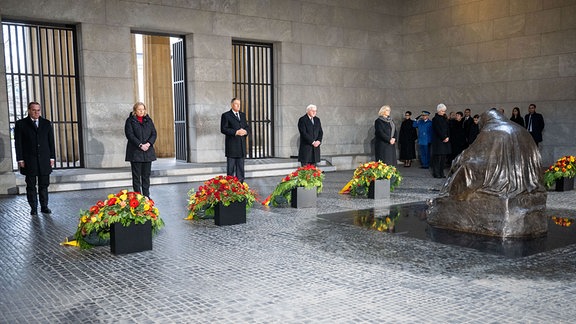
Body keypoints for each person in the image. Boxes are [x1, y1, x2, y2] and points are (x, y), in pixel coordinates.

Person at [14, 101, 56, 215]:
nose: (36, 112)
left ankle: (44, 206)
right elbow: (18, 143)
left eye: (38, 110)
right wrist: (20, 159)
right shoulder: (21, 124)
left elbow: (51, 142)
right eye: (34, 110)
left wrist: (52, 157)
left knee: (44, 185)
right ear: (29, 110)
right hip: (29, 160)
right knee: (31, 185)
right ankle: (33, 208)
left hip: (44, 160)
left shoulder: (46, 123)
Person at [125, 102, 157, 198]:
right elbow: (129, 135)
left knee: (146, 176)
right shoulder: (130, 121)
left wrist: (148, 144)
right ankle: (138, 197)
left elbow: (154, 133)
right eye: (139, 109)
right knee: (136, 177)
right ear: (135, 110)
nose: (141, 111)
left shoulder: (148, 120)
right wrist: (140, 145)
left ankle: (146, 196)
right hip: (136, 152)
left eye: (143, 109)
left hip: (148, 152)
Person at [221, 98, 250, 181]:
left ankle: (240, 186)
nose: (238, 106)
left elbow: (247, 127)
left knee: (241, 168)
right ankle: (230, 186)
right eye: (236, 104)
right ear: (232, 105)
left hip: (241, 146)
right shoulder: (226, 115)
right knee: (231, 169)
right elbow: (223, 129)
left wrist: (245, 131)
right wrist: (236, 132)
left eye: (239, 104)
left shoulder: (243, 115)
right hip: (232, 147)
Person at [431, 103, 450, 178]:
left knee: (443, 158)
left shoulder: (444, 118)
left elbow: (448, 128)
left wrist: (448, 136)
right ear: (439, 111)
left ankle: (441, 173)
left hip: (445, 141)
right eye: (442, 111)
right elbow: (437, 130)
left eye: (444, 111)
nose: (444, 112)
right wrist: (443, 137)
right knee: (437, 158)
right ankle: (436, 173)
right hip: (438, 141)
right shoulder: (435, 119)